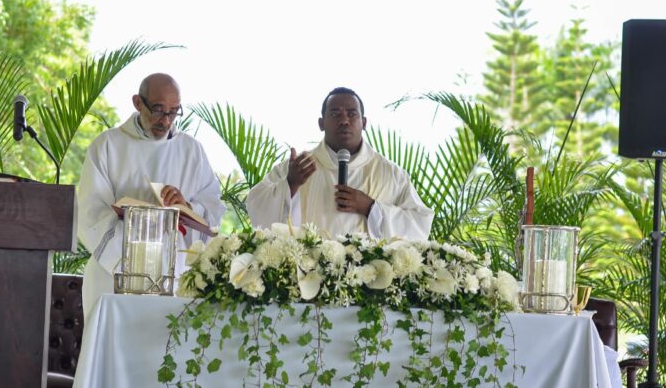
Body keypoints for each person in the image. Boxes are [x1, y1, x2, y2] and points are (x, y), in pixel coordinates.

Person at [77, 73, 226, 320]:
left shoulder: (192, 151)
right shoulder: (107, 146)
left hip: (174, 279)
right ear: (138, 102)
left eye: (173, 112)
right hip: (115, 281)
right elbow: (90, 214)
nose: (165, 121)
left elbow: (213, 210)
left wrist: (186, 207)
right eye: (158, 110)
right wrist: (138, 225)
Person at [246, 87, 432, 240]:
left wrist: (370, 208)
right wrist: (290, 185)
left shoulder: (392, 175)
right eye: (335, 114)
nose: (344, 121)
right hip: (306, 280)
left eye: (352, 114)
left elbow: (420, 225)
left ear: (364, 122)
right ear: (321, 123)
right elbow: (256, 207)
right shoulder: (296, 168)